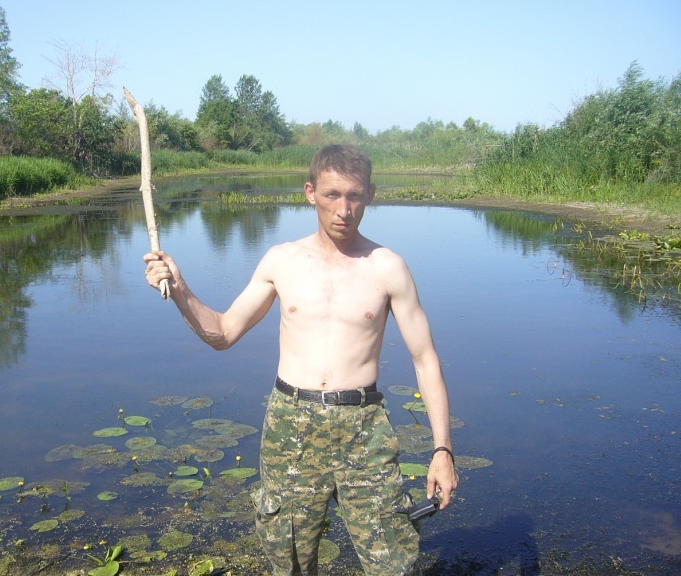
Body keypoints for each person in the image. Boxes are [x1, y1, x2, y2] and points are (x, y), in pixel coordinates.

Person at [144, 144, 458, 576]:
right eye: (332, 195)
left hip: (363, 426)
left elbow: (425, 361)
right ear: (310, 193)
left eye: (355, 196)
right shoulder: (282, 261)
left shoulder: (388, 268)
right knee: (288, 559)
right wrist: (180, 290)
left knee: (392, 561)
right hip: (291, 424)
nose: (344, 210)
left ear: (370, 194)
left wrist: (442, 450)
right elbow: (223, 333)